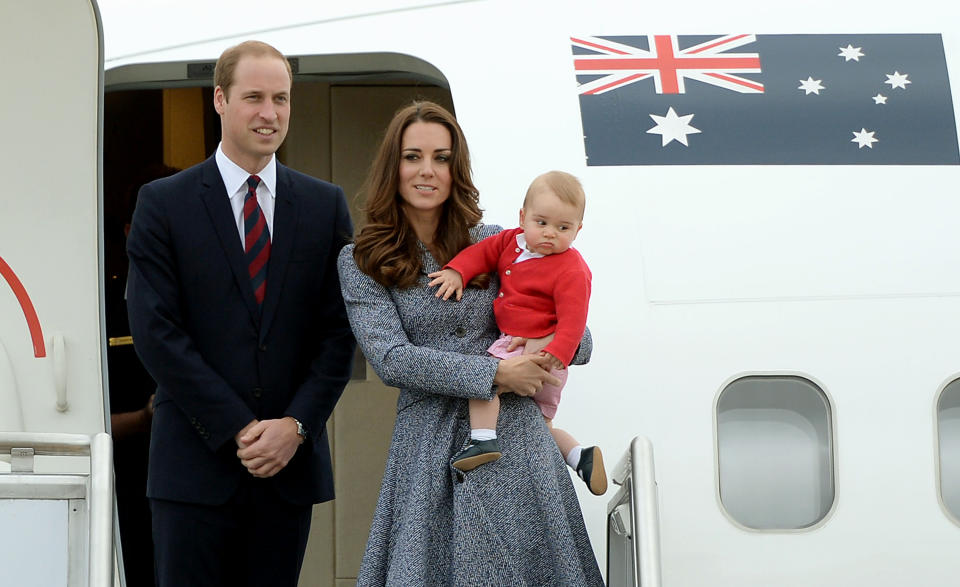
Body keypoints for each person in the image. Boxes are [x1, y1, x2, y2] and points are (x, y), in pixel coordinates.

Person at [337, 101, 604, 586]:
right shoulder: (362, 260)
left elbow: (579, 338)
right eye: (412, 156)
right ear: (391, 167)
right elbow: (391, 360)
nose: (427, 171)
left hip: (518, 440)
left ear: (455, 168)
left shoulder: (505, 239)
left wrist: (538, 349)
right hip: (428, 448)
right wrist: (496, 373)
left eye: (441, 158)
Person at [126, 40, 355, 587]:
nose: (269, 113)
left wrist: (295, 428)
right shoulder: (163, 203)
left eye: (281, 98)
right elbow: (156, 332)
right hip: (193, 471)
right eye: (254, 97)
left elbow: (340, 333)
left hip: (286, 472)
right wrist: (239, 428)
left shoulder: (324, 206)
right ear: (220, 100)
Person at [426, 170, 606, 495]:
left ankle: (482, 440)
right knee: (542, 425)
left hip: (532, 353)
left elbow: (574, 320)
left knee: (485, 381)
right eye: (542, 223)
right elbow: (481, 254)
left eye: (563, 228)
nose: (550, 234)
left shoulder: (571, 269)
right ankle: (580, 456)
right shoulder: (510, 241)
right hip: (540, 357)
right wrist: (457, 271)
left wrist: (555, 354)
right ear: (523, 217)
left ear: (578, 230)